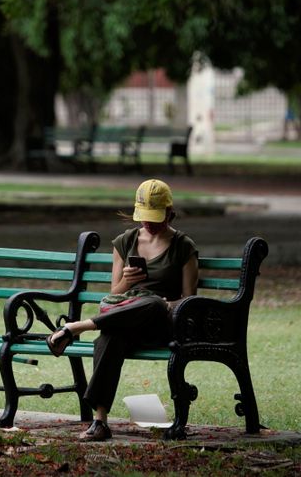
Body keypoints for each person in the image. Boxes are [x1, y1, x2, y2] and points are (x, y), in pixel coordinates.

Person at [45, 178, 199, 441]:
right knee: (110, 337)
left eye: (155, 217)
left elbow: (189, 300)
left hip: (161, 323)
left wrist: (165, 303)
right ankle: (100, 421)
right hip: (125, 316)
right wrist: (127, 281)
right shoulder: (126, 242)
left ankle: (76, 327)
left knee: (152, 303)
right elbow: (114, 293)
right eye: (144, 217)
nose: (148, 224)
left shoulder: (183, 246)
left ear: (170, 212)